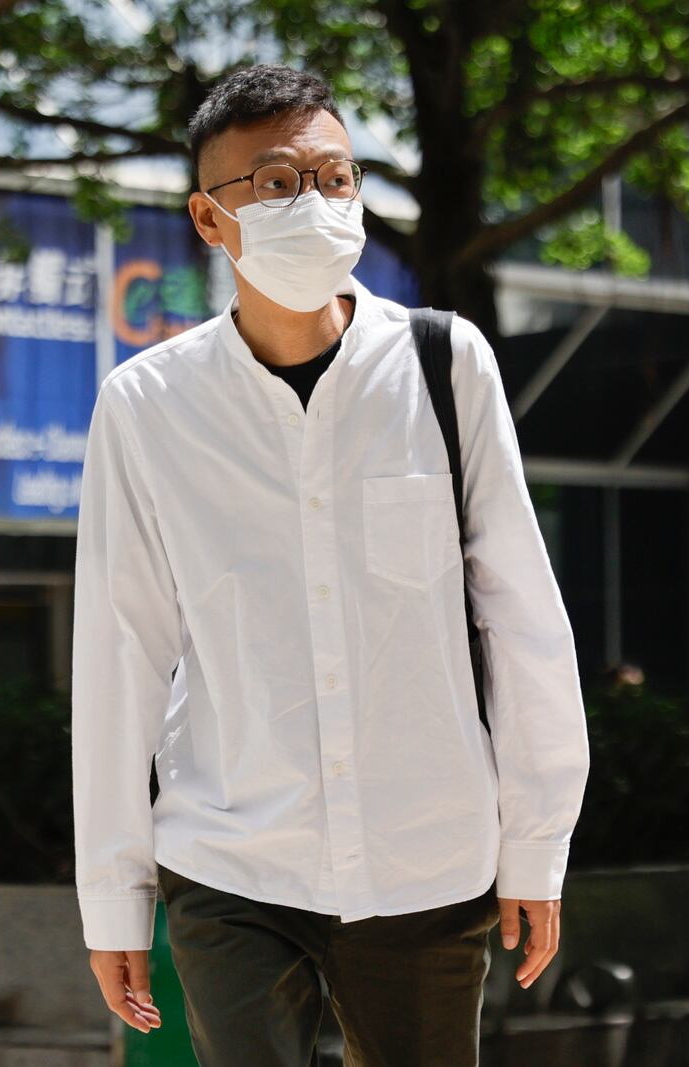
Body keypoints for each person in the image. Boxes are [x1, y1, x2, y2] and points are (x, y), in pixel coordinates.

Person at [70, 63, 591, 1067]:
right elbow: (119, 653)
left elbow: (521, 613)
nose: (313, 203)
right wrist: (114, 897)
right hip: (229, 854)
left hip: (425, 859)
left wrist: (536, 840)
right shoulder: (147, 407)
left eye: (336, 177)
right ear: (209, 220)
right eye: (274, 182)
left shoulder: (446, 366)